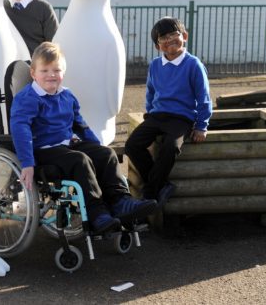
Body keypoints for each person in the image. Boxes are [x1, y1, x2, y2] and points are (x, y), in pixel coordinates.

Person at [10, 42, 157, 234]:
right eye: (44, 70)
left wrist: (96, 146)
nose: (51, 75)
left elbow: (80, 125)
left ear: (63, 72)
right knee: (80, 161)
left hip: (66, 145)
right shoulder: (27, 98)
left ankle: (120, 202)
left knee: (106, 154)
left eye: (56, 70)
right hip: (42, 150)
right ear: (33, 73)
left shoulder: (67, 95)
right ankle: (96, 213)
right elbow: (20, 130)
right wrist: (27, 163)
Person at [125, 17, 212, 207]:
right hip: (157, 116)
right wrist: (150, 113)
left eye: (174, 34)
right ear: (158, 46)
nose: (169, 40)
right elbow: (151, 92)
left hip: (181, 118)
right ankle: (162, 185)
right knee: (132, 144)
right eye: (163, 38)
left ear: (185, 36)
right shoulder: (155, 65)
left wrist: (201, 126)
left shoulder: (193, 64)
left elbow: (204, 98)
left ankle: (150, 191)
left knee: (169, 146)